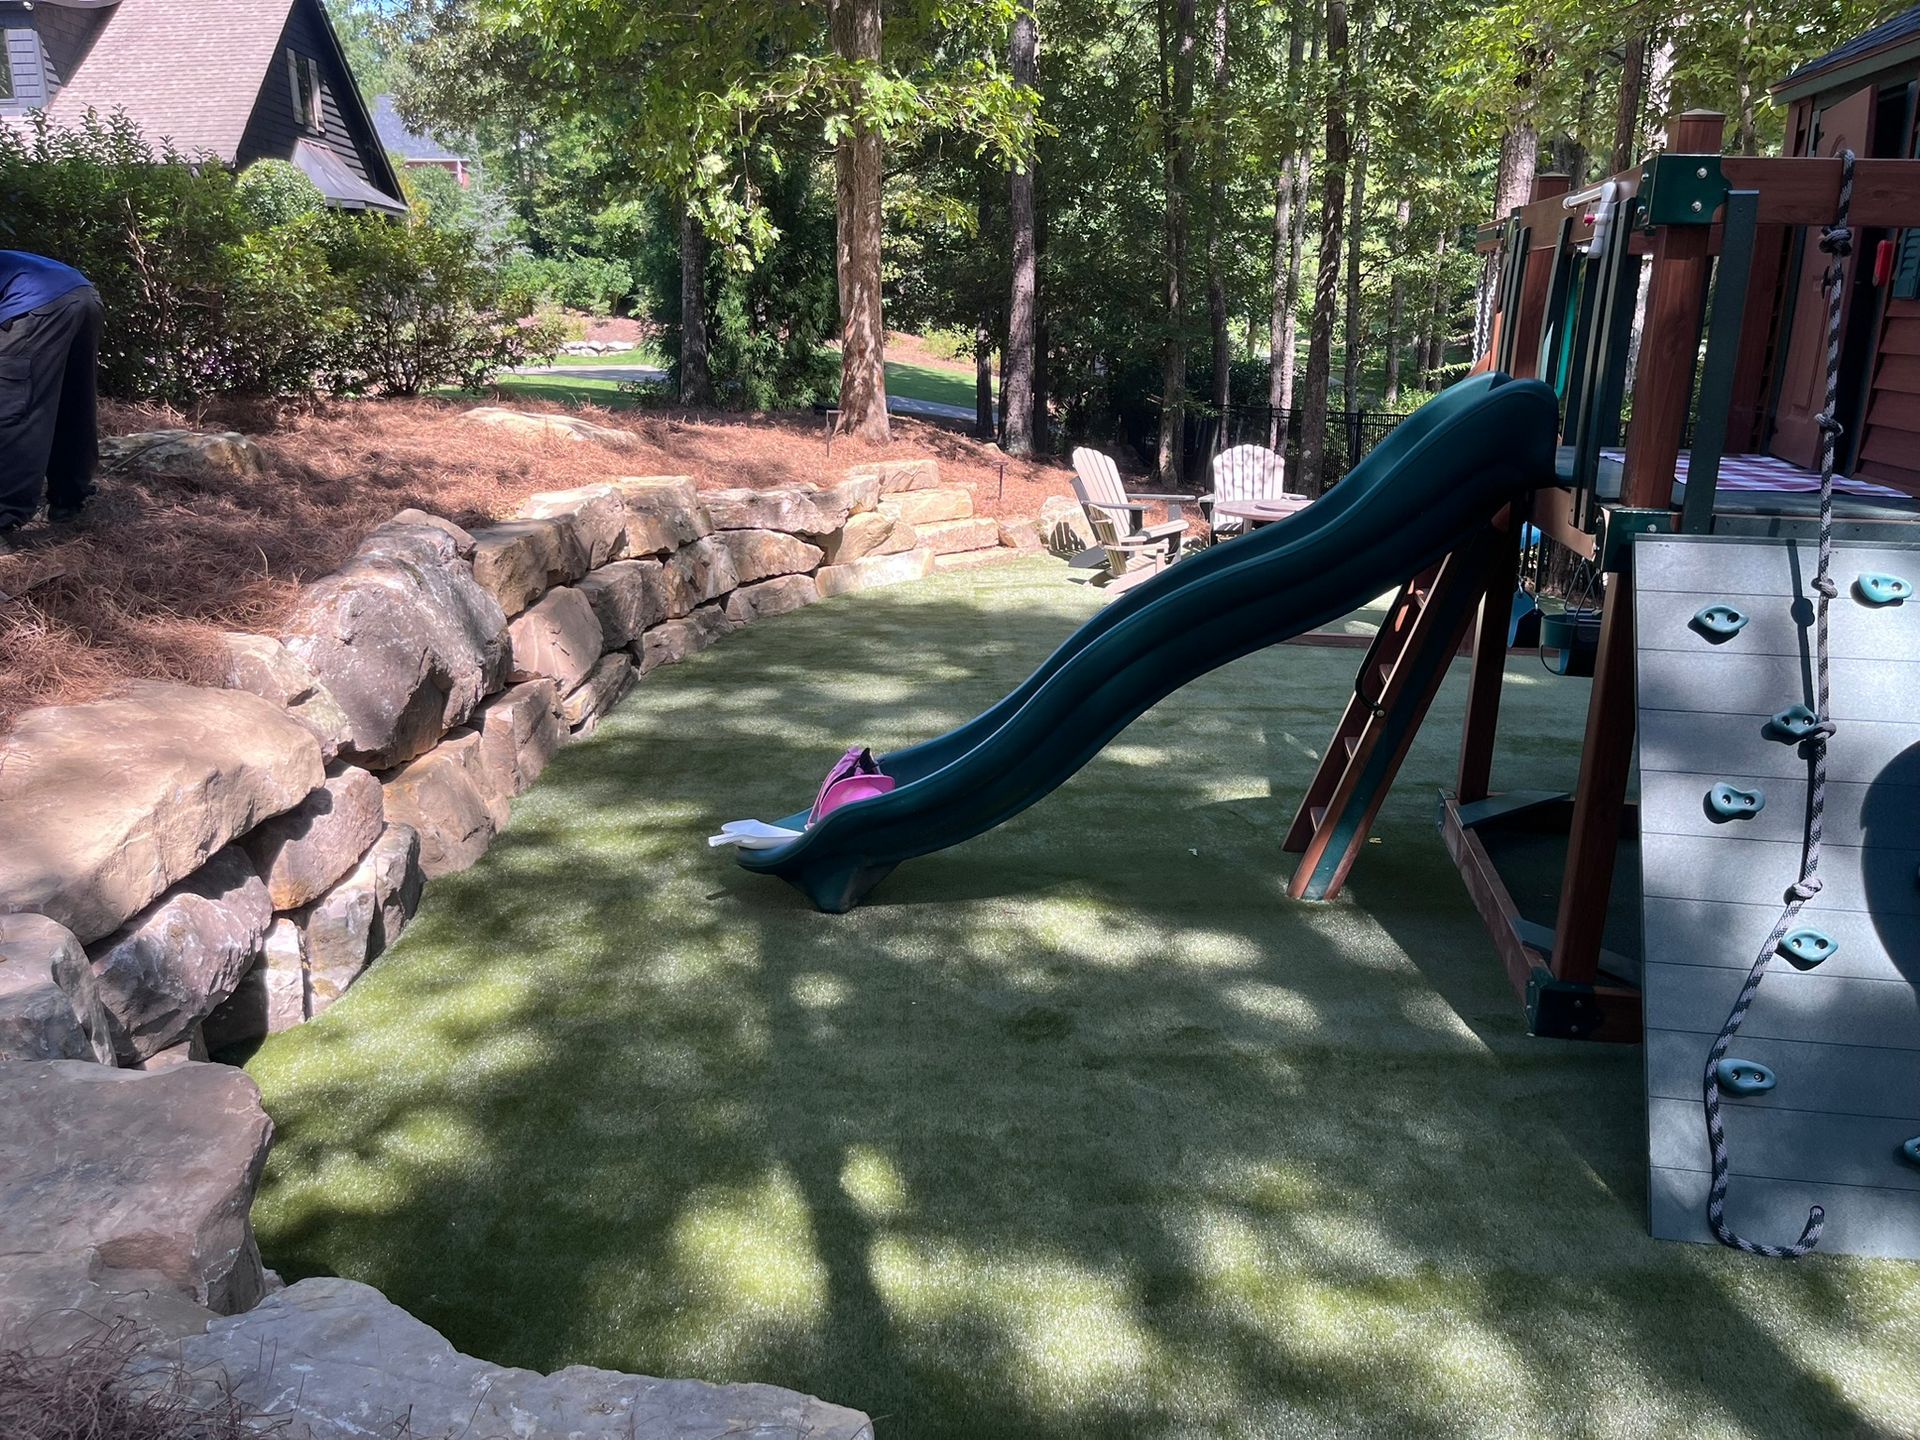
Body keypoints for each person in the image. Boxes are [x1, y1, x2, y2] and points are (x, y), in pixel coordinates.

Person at [0, 251, 104, 547]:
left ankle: (3, 516)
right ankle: (69, 500)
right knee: (72, 402)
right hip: (84, 296)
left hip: (36, 305)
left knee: (14, 408)